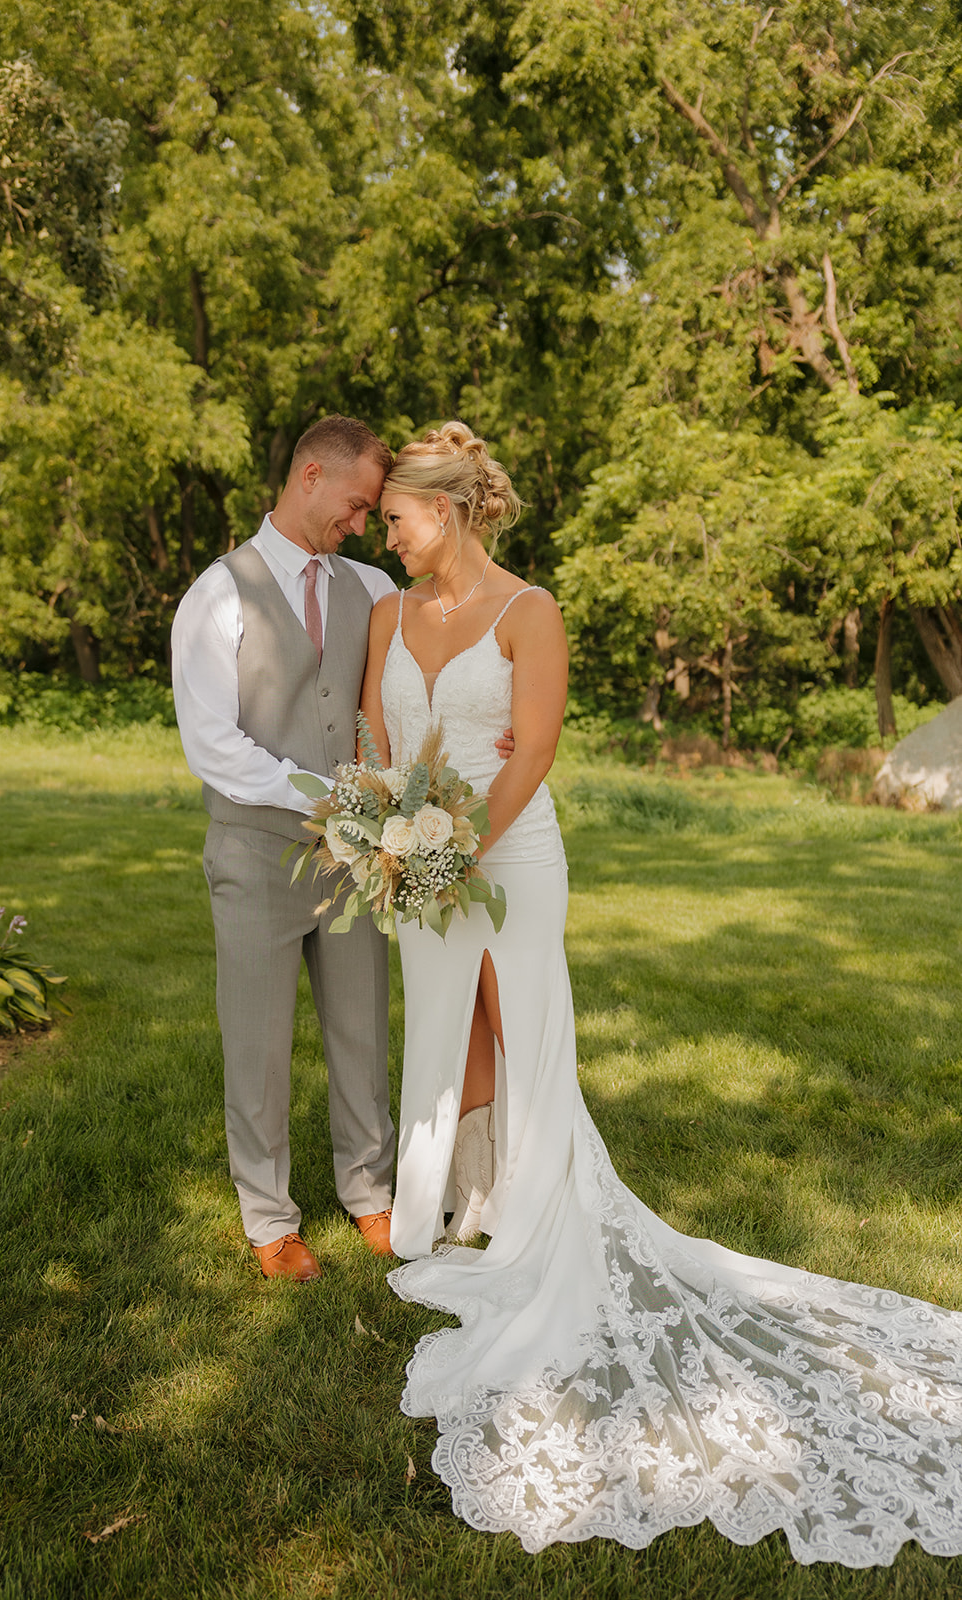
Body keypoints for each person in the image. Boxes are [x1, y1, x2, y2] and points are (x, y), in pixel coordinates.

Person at [358, 419, 962, 1565]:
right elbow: (376, 729)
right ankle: (445, 1205)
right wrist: (391, 832)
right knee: (445, 1024)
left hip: (507, 853)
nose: (385, 535)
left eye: (397, 516)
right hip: (412, 851)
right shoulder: (388, 617)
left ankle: (527, 1214)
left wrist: (460, 845)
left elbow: (530, 748)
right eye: (384, 517)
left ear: (449, 513)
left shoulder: (529, 612)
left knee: (518, 1020)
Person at [172, 415, 398, 1282]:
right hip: (257, 851)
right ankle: (269, 1218)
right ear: (309, 476)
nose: (360, 523)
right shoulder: (219, 593)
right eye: (353, 505)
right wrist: (324, 796)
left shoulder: (374, 588)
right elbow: (213, 745)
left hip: (353, 864)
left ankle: (369, 1194)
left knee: (359, 1029)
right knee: (257, 1041)